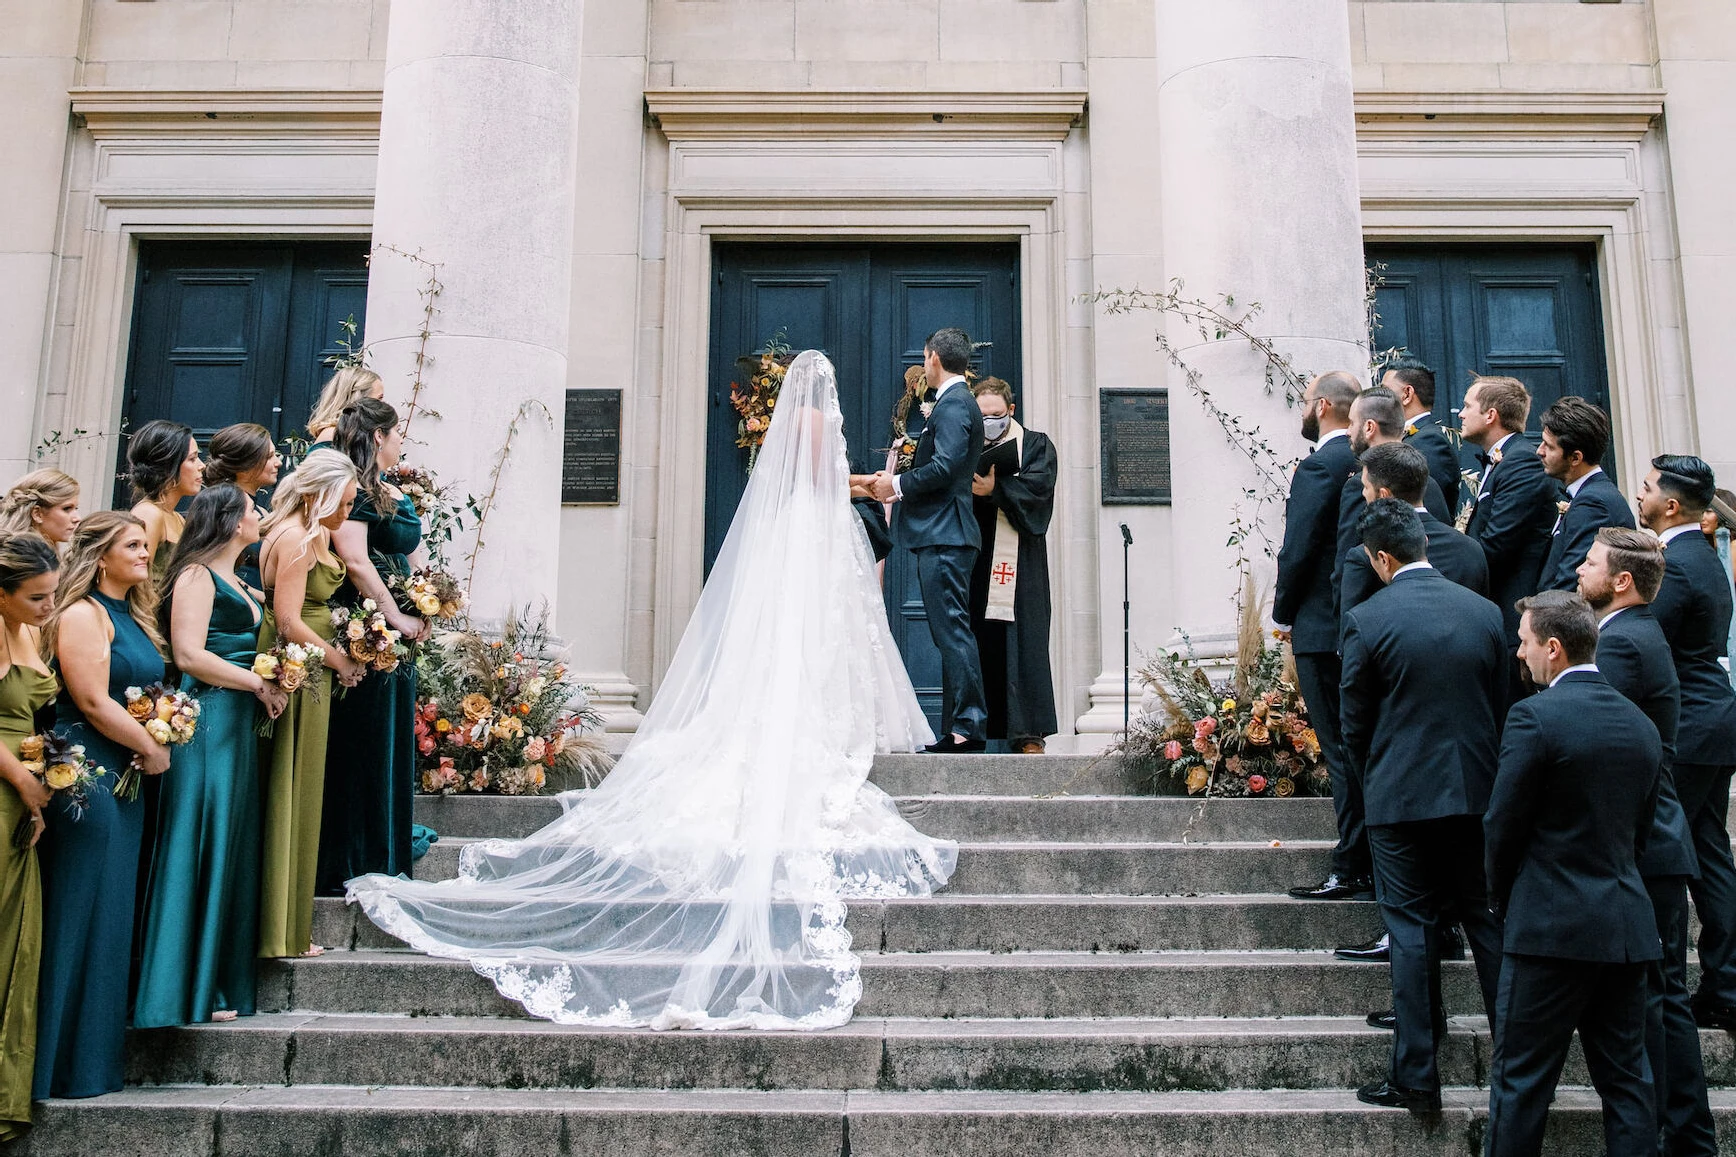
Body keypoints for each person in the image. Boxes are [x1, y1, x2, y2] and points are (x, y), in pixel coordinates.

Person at [350, 350, 955, 1030]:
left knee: (788, 636)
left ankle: (784, 721)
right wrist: (874, 483)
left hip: (799, 532)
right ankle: (815, 728)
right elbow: (825, 478)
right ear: (825, 387)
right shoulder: (821, 423)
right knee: (817, 633)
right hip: (820, 532)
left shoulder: (794, 424)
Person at [1339, 500, 1506, 1114]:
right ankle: (1514, 1064)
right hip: (1474, 792)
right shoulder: (1486, 615)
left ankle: (1417, 1076)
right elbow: (1499, 706)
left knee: (1409, 931)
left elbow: (1354, 725)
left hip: (1399, 798)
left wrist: (1376, 776)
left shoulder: (1367, 620)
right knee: (1487, 925)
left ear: (1383, 559)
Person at [1483, 591, 1661, 1157]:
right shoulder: (1641, 725)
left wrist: (1504, 900)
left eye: (1525, 641)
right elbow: (1642, 831)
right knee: (1629, 1086)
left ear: (1553, 648)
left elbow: (1501, 825)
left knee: (1522, 1085)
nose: (1520, 653)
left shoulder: (1533, 718)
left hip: (1547, 930)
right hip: (1625, 927)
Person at [1578, 528, 1717, 1156]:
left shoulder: (1624, 645)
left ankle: (1684, 1134)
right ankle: (1684, 1132)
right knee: (1660, 995)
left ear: (1623, 581)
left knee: (1659, 997)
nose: (1580, 571)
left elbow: (1595, 735)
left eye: (1591, 563)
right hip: (1653, 842)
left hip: (1649, 847)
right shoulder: (1631, 635)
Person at [133, 485, 285, 1028]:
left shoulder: (241, 580)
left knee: (231, 839)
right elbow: (189, 654)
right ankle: (183, 988)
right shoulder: (196, 576)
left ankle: (218, 980)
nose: (260, 516)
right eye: (252, 510)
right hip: (209, 719)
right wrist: (258, 683)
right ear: (228, 521)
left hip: (237, 723)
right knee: (202, 836)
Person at [34, 512, 168, 1101]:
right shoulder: (83, 613)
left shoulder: (133, 613)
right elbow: (89, 698)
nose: (145, 553)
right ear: (100, 555)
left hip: (124, 776)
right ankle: (54, 1066)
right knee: (80, 909)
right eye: (132, 545)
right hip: (86, 774)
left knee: (111, 914)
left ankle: (90, 1063)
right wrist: (150, 747)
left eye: (145, 544)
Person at [1636, 454, 1736, 1031]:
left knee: (1673, 851)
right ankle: (1724, 982)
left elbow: (1648, 637)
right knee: (1710, 856)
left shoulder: (1677, 564)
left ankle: (1675, 975)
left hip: (1692, 728)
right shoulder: (1700, 555)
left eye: (1647, 489)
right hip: (1712, 720)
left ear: (1670, 505)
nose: (1641, 494)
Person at [256, 450, 363, 959]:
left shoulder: (304, 531)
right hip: (301, 668)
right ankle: (285, 931)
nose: (347, 513)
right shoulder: (298, 540)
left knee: (305, 786)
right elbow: (288, 620)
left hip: (308, 664)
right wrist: (340, 660)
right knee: (294, 787)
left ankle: (291, 923)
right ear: (319, 496)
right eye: (343, 503)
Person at [319, 400, 428, 895]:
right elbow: (357, 561)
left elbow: (402, 550)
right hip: (366, 626)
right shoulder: (352, 489)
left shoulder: (387, 488)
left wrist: (427, 596)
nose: (403, 440)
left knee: (390, 733)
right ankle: (357, 854)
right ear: (379, 437)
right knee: (365, 741)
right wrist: (396, 615)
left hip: (394, 627)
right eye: (398, 432)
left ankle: (386, 846)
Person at [869, 329, 987, 753]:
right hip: (944, 533)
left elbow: (945, 467)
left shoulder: (955, 404)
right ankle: (958, 728)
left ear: (933, 358)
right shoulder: (955, 403)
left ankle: (969, 729)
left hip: (946, 534)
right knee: (949, 632)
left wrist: (896, 485)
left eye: (924, 356)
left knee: (952, 632)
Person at [1273, 371, 1366, 902]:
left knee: (1339, 749)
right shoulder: (1366, 460)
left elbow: (1299, 548)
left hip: (1320, 624)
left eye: (1306, 402)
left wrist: (1283, 613)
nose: (1302, 410)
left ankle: (1350, 864)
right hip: (1357, 623)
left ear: (1324, 406)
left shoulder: (1320, 465)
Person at [0, 534, 58, 1141]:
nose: (49, 605)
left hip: (24, 794)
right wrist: (22, 779)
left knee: (17, 939)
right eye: (37, 597)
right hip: (4, 789)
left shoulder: (29, 629)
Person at [966, 377, 1058, 754]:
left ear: (1011, 411)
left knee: (1024, 641)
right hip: (975, 558)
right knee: (975, 638)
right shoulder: (964, 446)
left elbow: (1039, 490)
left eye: (997, 416)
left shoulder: (1036, 445)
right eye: (982, 416)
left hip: (1022, 561)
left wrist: (997, 490)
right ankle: (970, 729)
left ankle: (1027, 732)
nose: (990, 422)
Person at [1460, 376, 1559, 691]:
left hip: (1510, 621)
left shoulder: (1522, 464)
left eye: (1467, 406)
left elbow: (1496, 546)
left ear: (1491, 415)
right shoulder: (1505, 461)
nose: (1460, 414)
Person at [1330, 387, 1451, 622]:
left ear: (1369, 427)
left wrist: (1344, 626)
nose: (1347, 430)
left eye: (1352, 422)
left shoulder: (1360, 485)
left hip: (1379, 618)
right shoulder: (1430, 482)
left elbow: (1348, 561)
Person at [1338, 442, 1487, 624]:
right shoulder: (1472, 550)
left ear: (1384, 495)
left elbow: (1351, 632)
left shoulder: (1366, 556)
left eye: (1366, 487)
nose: (1363, 494)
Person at [1537, 397, 1632, 592]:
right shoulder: (1588, 495)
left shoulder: (1593, 504)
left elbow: (1570, 582)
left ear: (1575, 458)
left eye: (1549, 446)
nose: (1540, 451)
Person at [1380, 355, 1471, 526]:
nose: (1378, 399)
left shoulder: (1429, 442)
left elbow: (1429, 511)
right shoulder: (1414, 437)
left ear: (1407, 394)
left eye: (1385, 392)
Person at [201, 422, 281, 595]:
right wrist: (258, 597)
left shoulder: (260, 511)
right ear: (244, 467)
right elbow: (212, 567)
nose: (278, 462)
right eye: (270, 457)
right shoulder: (226, 509)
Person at [126, 419, 206, 590]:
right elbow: (137, 586)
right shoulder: (148, 514)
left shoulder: (177, 518)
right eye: (192, 459)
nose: (202, 466)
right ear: (168, 466)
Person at [306, 365, 384, 447]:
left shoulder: (356, 434)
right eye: (379, 398)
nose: (383, 404)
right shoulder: (332, 436)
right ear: (358, 400)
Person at [0, 470, 81, 548]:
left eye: (76, 508)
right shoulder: (20, 558)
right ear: (37, 514)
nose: (77, 518)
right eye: (66, 509)